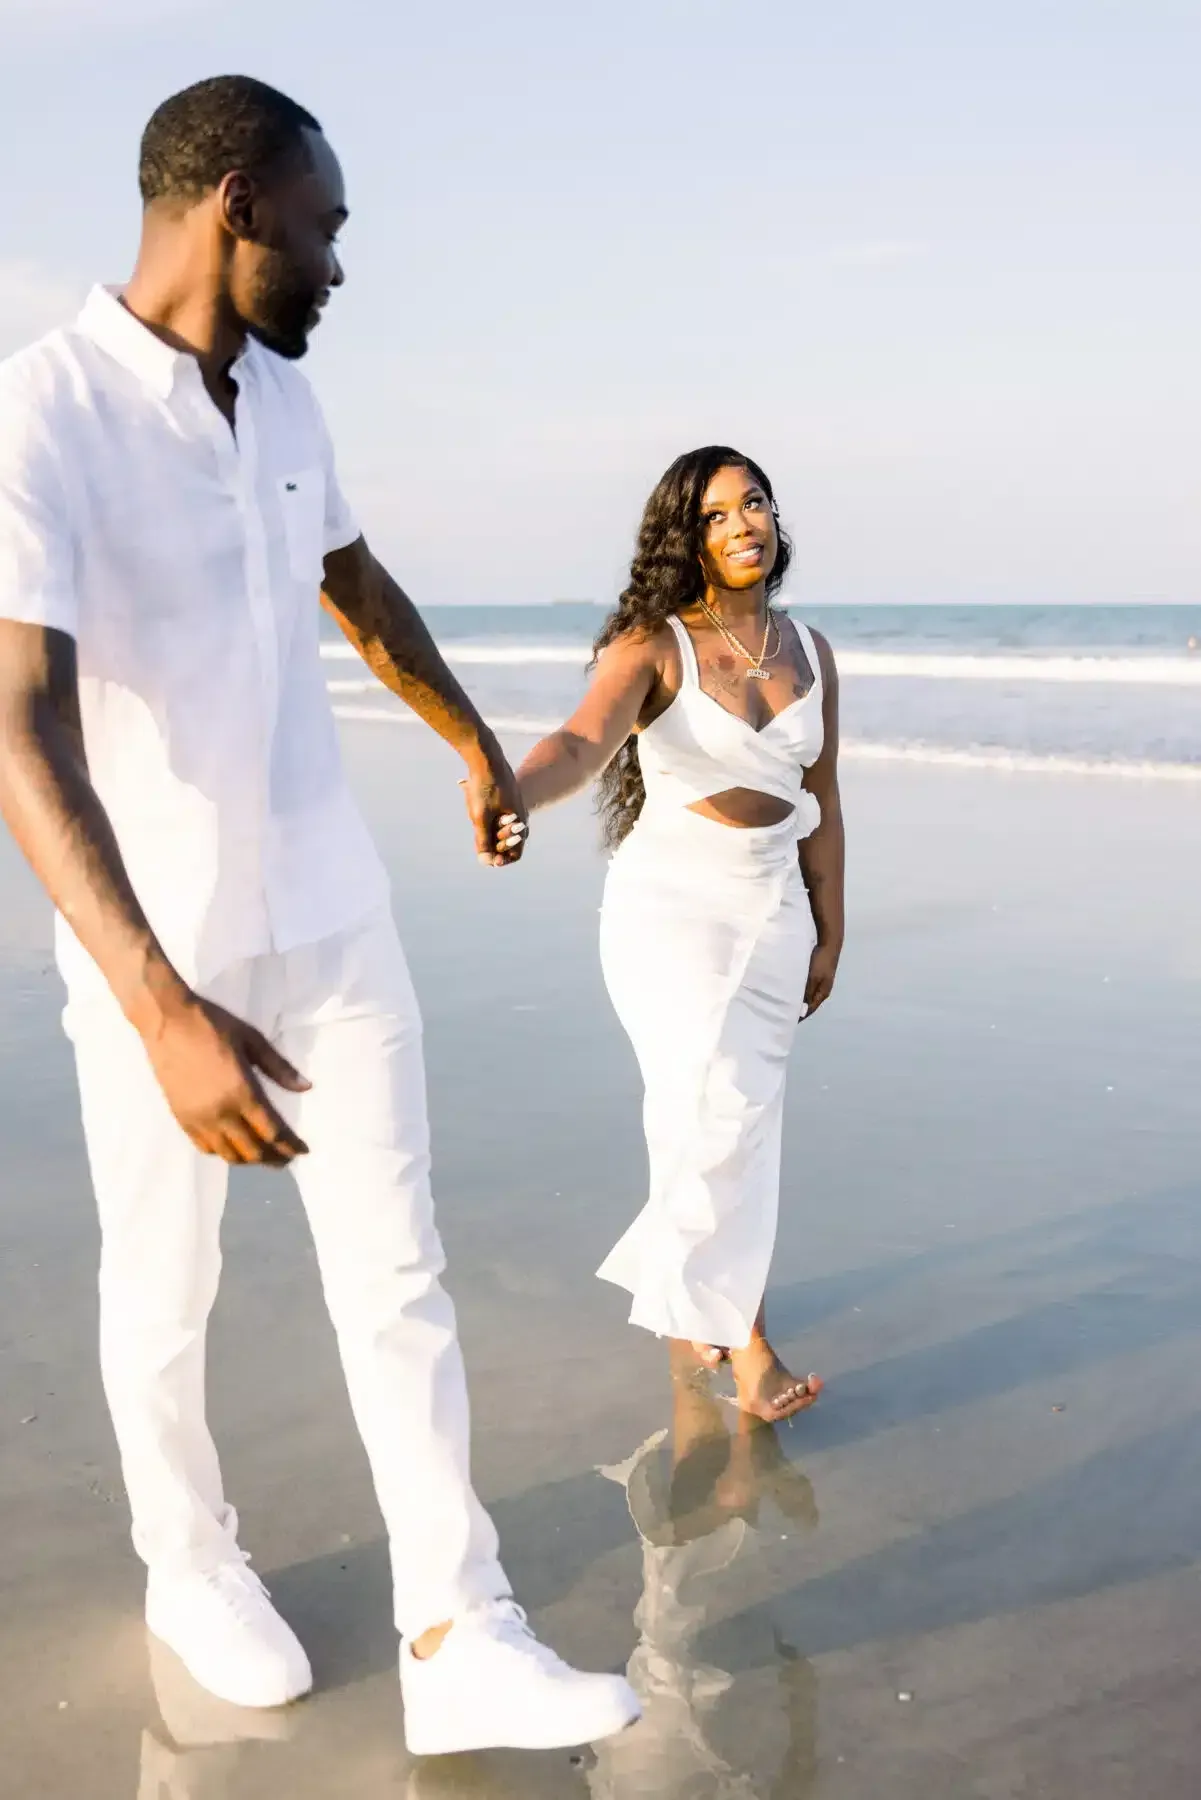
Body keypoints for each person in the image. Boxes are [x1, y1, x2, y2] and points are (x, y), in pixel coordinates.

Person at [0, 74, 638, 1756]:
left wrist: (472, 741)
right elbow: (19, 731)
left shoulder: (283, 398)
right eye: (324, 225)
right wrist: (158, 1009)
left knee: (398, 1273)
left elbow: (354, 581)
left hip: (335, 912)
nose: (341, 264)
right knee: (166, 1284)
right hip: (160, 944)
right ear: (235, 203)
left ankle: (459, 1625)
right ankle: (186, 1560)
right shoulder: (42, 410)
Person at [516, 448, 844, 1420]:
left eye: (755, 504)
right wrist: (511, 790)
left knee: (740, 1123)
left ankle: (688, 1306)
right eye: (714, 514)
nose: (742, 525)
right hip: (671, 908)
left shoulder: (811, 651)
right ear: (684, 537)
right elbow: (580, 741)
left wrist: (830, 929)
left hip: (773, 907)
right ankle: (746, 1345)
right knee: (712, 1110)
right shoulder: (654, 645)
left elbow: (823, 797)